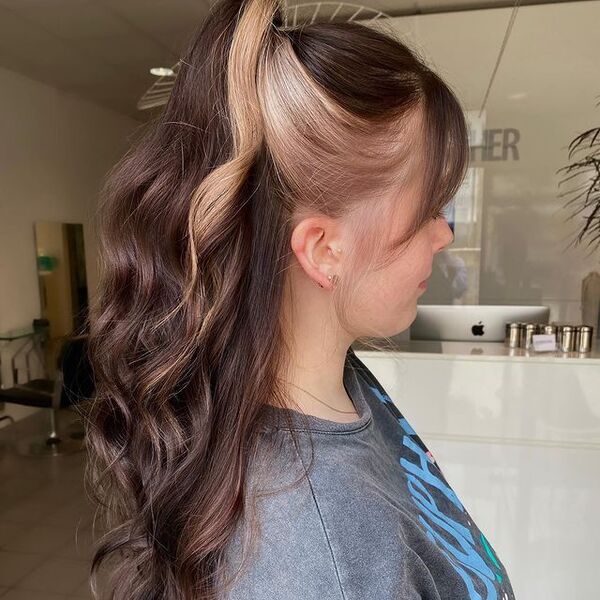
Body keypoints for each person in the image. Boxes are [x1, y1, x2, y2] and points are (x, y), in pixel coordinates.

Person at [84, 0, 516, 598]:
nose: (445, 233)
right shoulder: (324, 557)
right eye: (427, 212)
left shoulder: (335, 386)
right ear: (324, 250)